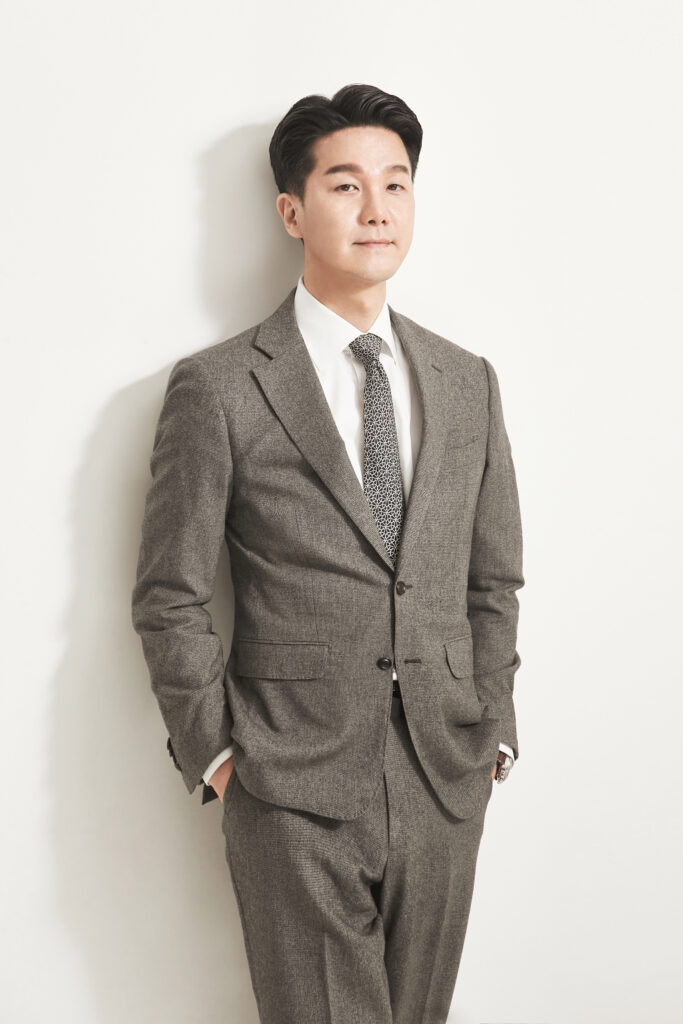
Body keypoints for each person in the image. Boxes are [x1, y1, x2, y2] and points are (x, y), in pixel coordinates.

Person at [131, 82, 524, 1024]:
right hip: (289, 782)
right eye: (346, 185)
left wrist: (493, 729)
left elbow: (492, 578)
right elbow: (169, 593)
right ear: (292, 211)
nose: (376, 208)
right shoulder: (220, 387)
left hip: (444, 774)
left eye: (396, 184)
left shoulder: (466, 381)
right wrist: (219, 755)